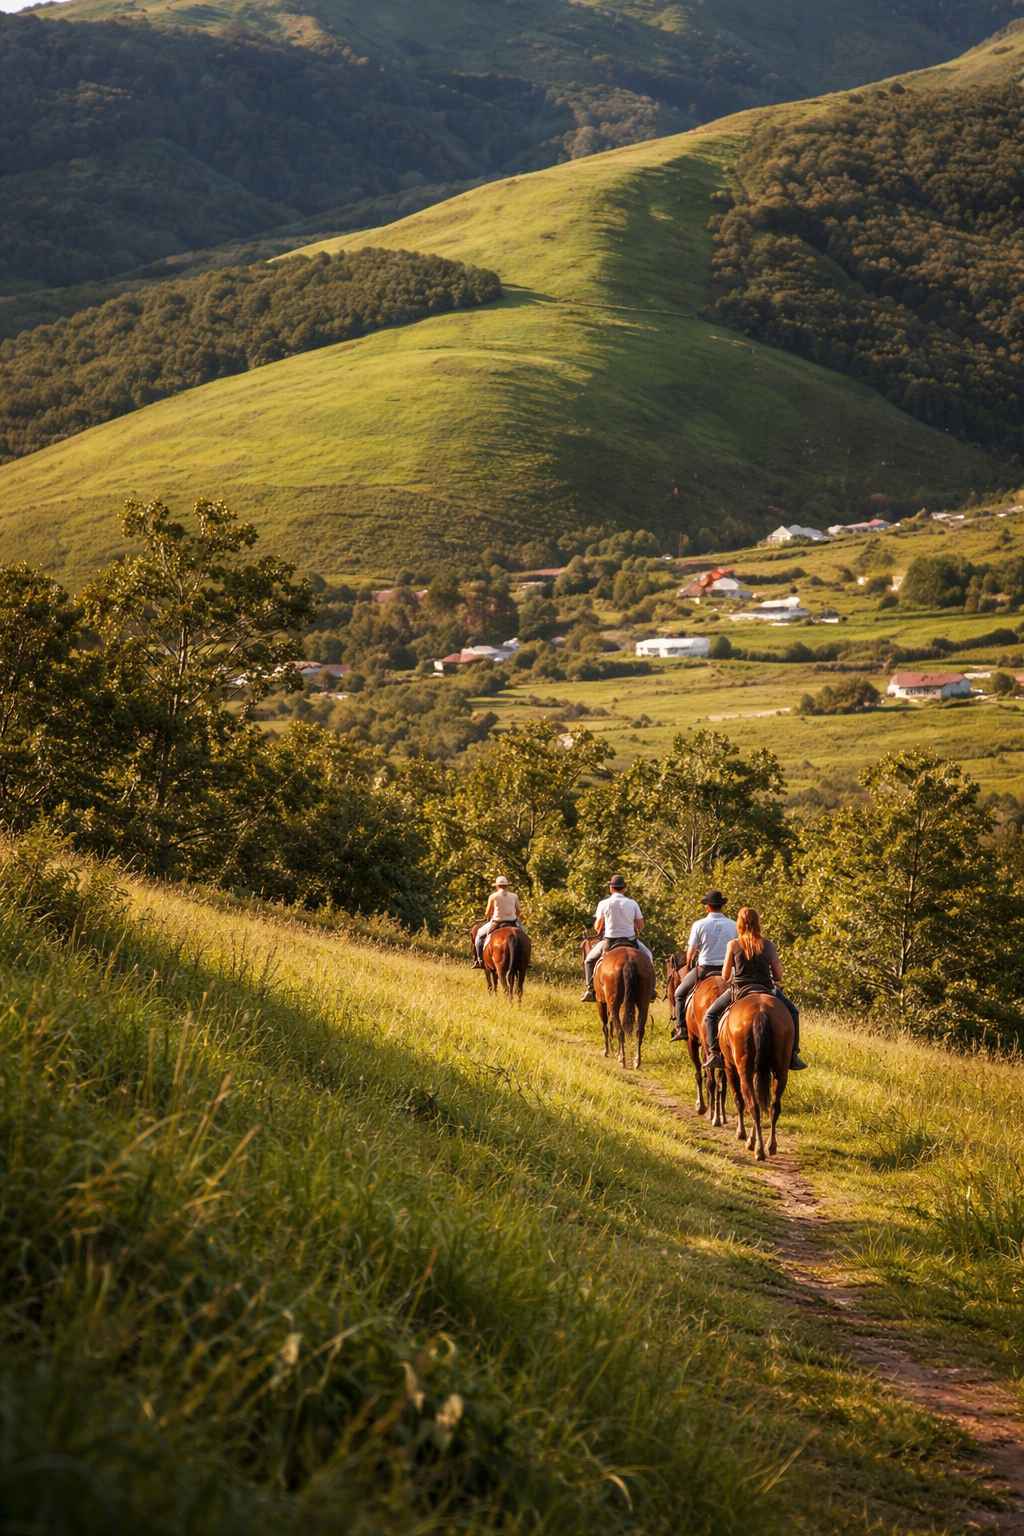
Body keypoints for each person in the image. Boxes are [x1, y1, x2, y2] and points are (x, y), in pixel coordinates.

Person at [701, 906, 807, 1071]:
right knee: (793, 1012)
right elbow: (778, 975)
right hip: (767, 989)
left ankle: (714, 1053)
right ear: (758, 923)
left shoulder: (733, 945)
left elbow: (725, 976)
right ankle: (793, 1054)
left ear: (739, 924)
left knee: (711, 1014)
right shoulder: (769, 945)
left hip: (740, 990)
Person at [669, 890, 737, 1042]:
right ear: (722, 906)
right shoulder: (733, 925)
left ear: (707, 907)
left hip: (705, 969)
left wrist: (690, 962)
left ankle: (682, 1028)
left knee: (679, 993)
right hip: (729, 971)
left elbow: (691, 953)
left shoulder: (699, 924)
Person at [581, 873, 654, 1002]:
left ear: (611, 888)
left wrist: (601, 926)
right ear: (624, 888)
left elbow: (598, 927)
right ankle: (651, 990)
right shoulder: (632, 903)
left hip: (609, 941)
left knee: (589, 960)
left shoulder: (604, 903)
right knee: (648, 956)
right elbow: (640, 925)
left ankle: (590, 989)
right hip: (630, 940)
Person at [473, 875, 522, 967]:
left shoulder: (493, 896)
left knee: (479, 936)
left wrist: (488, 916)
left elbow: (487, 912)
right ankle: (527, 961)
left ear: (497, 886)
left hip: (497, 922)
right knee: (525, 936)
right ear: (507, 886)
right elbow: (519, 911)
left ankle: (480, 960)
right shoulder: (514, 896)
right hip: (513, 922)